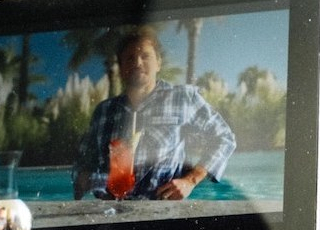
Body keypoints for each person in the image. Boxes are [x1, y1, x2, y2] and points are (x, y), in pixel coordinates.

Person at [72, 26, 236, 200]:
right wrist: (83, 178)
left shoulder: (182, 98)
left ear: (158, 63)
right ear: (120, 68)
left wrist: (190, 180)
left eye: (145, 56)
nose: (137, 62)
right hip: (109, 213)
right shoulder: (104, 111)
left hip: (161, 212)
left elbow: (224, 138)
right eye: (129, 58)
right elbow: (82, 159)